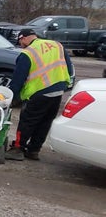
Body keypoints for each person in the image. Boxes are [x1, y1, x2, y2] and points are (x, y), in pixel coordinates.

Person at [6, 28, 74, 161]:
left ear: (23, 38)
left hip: (39, 93)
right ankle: (34, 150)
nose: (21, 45)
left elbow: (18, 79)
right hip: (57, 92)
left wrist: (11, 97)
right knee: (45, 122)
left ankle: (18, 149)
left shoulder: (28, 53)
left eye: (20, 42)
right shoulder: (57, 45)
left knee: (27, 122)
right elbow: (69, 69)